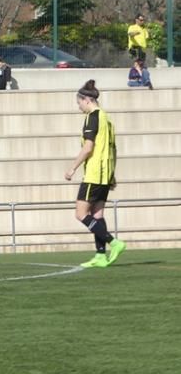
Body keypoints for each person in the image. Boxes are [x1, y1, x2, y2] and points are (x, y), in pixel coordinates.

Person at [65, 80, 126, 268]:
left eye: (79, 102)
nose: (79, 106)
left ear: (87, 100)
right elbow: (112, 148)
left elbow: (88, 147)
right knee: (97, 215)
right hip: (105, 174)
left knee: (81, 214)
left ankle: (113, 242)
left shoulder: (93, 117)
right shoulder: (107, 120)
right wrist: (112, 174)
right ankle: (100, 256)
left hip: (94, 173)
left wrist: (73, 167)